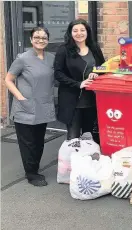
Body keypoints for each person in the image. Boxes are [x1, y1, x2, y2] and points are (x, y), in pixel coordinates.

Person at [4, 27, 55, 187]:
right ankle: (31, 174)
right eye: (37, 37)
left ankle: (34, 168)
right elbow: (8, 79)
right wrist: (20, 97)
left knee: (39, 141)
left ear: (48, 40)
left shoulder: (51, 58)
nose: (41, 40)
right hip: (25, 107)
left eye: (44, 37)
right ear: (31, 40)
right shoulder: (22, 59)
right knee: (28, 143)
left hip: (43, 106)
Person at [54, 19, 105, 142]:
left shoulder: (94, 48)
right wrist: (78, 84)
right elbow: (58, 73)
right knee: (73, 138)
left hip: (91, 99)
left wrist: (96, 72)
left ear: (87, 32)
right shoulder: (64, 50)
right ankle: (72, 160)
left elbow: (103, 66)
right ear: (70, 33)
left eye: (82, 30)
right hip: (72, 101)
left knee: (89, 137)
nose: (79, 33)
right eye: (75, 30)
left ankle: (87, 160)